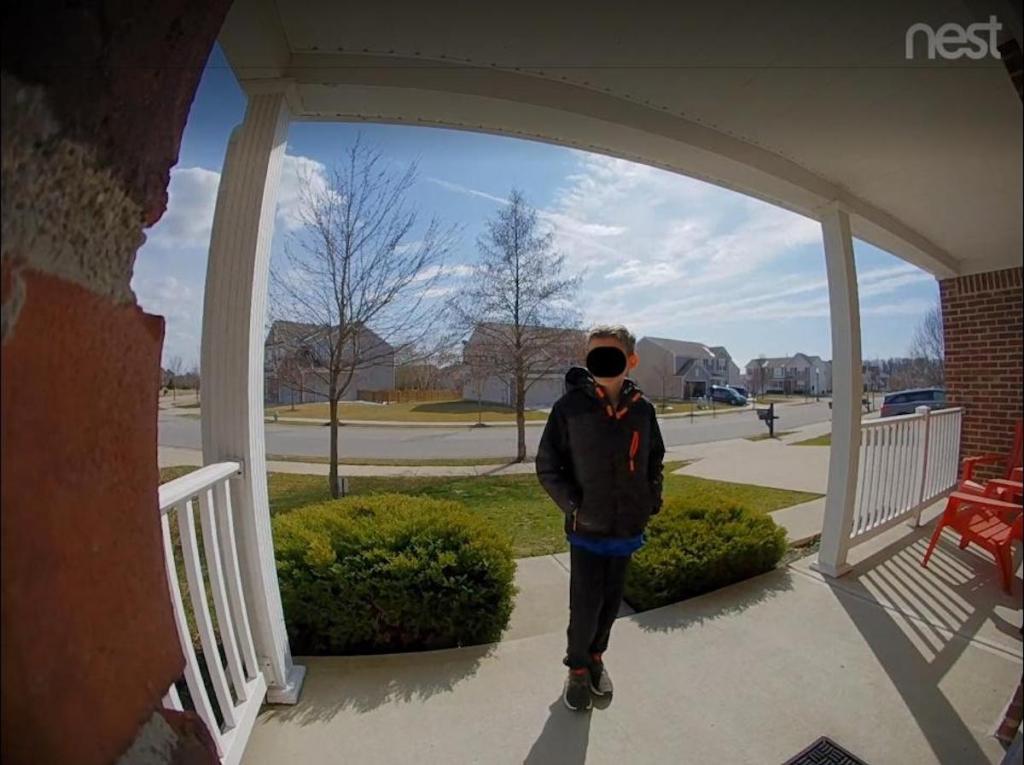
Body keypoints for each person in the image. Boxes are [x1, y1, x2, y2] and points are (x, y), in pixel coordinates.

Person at [536, 324, 666, 711]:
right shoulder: (569, 408)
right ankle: (576, 669)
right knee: (585, 606)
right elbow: (547, 466)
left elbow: (655, 459)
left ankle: (596, 660)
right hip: (586, 530)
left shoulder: (643, 410)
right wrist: (574, 506)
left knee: (611, 604)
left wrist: (650, 499)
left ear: (631, 360)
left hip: (626, 527)